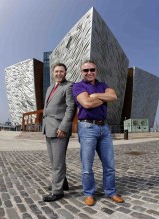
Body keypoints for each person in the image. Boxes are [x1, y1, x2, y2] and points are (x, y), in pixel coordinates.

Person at [72, 60, 124, 206]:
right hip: (87, 127)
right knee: (87, 165)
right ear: (81, 72)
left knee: (109, 164)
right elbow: (86, 104)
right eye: (86, 70)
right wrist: (101, 97)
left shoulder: (103, 85)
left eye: (92, 70)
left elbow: (113, 97)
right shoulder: (78, 86)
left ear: (96, 71)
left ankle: (111, 191)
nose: (89, 72)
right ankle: (89, 193)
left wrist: (94, 96)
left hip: (104, 128)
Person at [42, 63, 76, 202]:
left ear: (65, 72)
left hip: (59, 130)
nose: (58, 73)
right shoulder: (50, 87)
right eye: (56, 71)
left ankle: (57, 191)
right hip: (48, 128)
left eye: (61, 71)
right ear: (53, 72)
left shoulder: (69, 86)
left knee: (57, 162)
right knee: (54, 160)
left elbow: (71, 108)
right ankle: (63, 183)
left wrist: (64, 127)